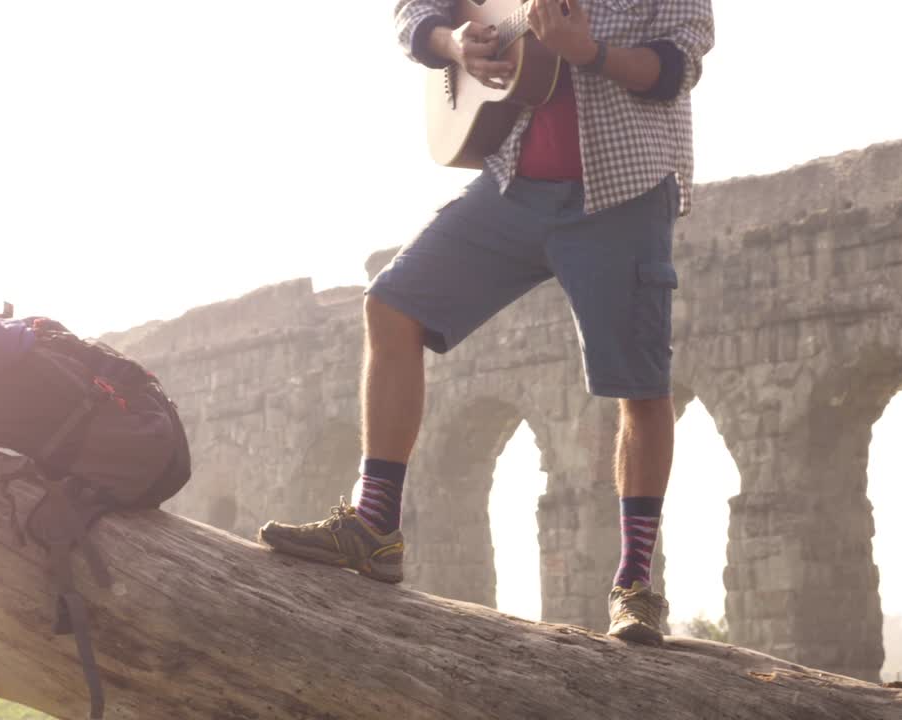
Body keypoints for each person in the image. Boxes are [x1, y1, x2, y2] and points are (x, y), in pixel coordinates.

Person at [258, 0, 715, 645]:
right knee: (391, 305)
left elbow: (678, 66)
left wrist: (591, 54)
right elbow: (414, 10)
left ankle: (635, 586)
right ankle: (374, 526)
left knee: (641, 387)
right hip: (513, 184)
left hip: (623, 192)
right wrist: (452, 43)